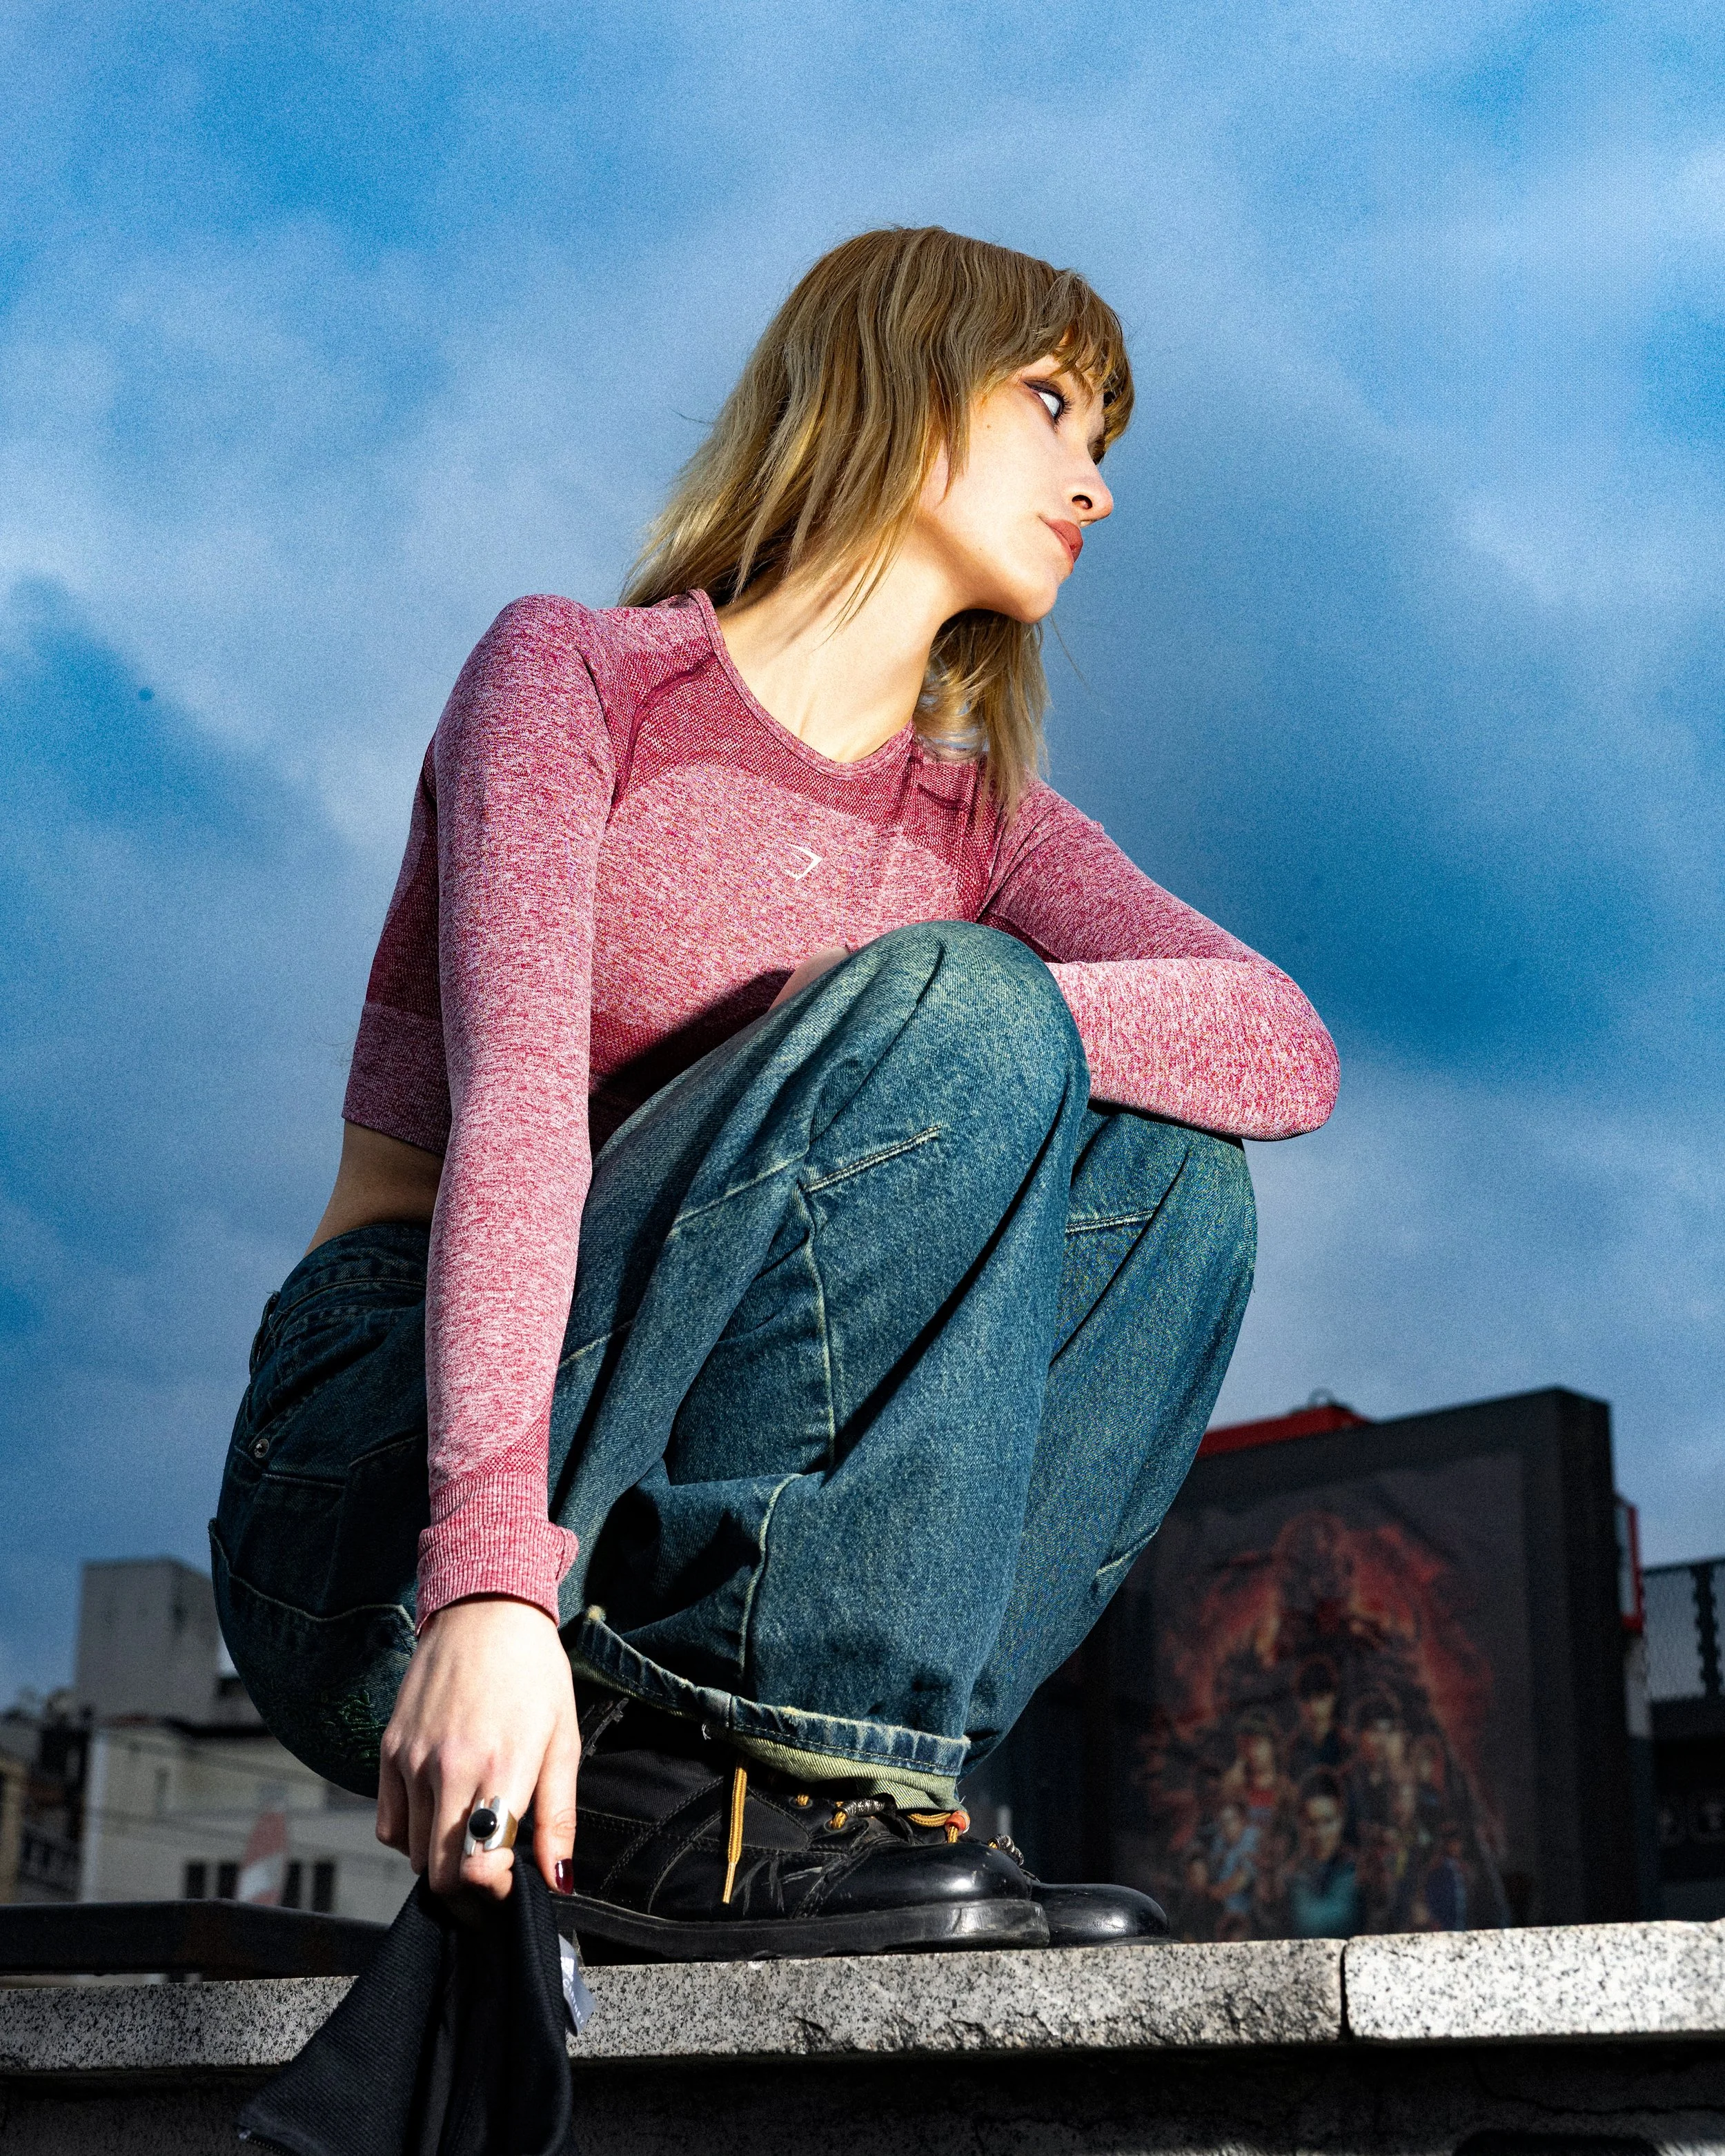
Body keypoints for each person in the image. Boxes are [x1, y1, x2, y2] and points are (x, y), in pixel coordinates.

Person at [213, 226, 1337, 1963]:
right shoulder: (578, 679)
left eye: (1106, 439)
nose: (1092, 484)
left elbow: (1281, 1044)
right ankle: (730, 1773)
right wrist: (490, 1577)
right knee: (958, 1004)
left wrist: (926, 1048)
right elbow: (514, 1114)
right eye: (1050, 403)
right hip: (398, 1493)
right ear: (891, 380)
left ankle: (847, 1779)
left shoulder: (979, 824)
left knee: (1177, 1183)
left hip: (651, 1552)